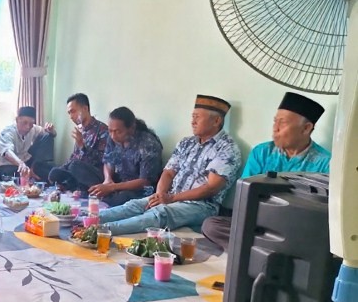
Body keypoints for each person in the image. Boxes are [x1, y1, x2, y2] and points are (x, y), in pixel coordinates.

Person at [202, 92, 331, 250]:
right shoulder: (262, 152)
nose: (275, 128)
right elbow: (244, 194)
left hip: (295, 229)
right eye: (275, 121)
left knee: (318, 241)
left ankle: (254, 250)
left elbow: (321, 211)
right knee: (212, 225)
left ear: (306, 128)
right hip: (258, 223)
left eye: (282, 123)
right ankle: (271, 251)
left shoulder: (325, 162)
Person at [99, 95, 242, 235]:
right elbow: (168, 172)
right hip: (171, 196)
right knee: (133, 205)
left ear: (216, 121)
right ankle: (90, 219)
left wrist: (171, 199)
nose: (193, 122)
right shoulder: (187, 142)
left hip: (201, 205)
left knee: (160, 213)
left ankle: (102, 230)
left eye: (197, 117)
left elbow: (211, 188)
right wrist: (160, 195)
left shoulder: (227, 148)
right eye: (192, 117)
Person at [88, 107, 164, 206]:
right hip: (117, 182)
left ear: (131, 128)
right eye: (110, 131)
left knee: (123, 197)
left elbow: (145, 182)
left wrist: (112, 188)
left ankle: (105, 196)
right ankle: (104, 195)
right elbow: (108, 162)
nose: (113, 136)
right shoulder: (112, 138)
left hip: (138, 190)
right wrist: (108, 179)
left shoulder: (148, 144)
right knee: (76, 167)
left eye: (118, 132)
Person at [48, 93, 109, 191]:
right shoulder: (81, 130)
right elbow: (74, 157)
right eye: (69, 113)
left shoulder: (102, 130)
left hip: (95, 174)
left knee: (75, 166)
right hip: (77, 170)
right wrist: (61, 169)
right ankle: (72, 185)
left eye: (73, 111)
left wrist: (83, 146)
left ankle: (71, 185)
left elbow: (103, 161)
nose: (71, 116)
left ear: (85, 109)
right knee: (53, 171)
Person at [0, 106, 56, 181]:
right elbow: (7, 152)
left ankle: (39, 166)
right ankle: (31, 176)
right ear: (17, 120)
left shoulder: (33, 129)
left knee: (51, 171)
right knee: (19, 174)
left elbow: (49, 135)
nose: (28, 127)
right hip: (4, 166)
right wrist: (21, 164)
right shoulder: (8, 132)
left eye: (31, 124)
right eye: (24, 123)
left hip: (25, 164)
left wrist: (52, 131)